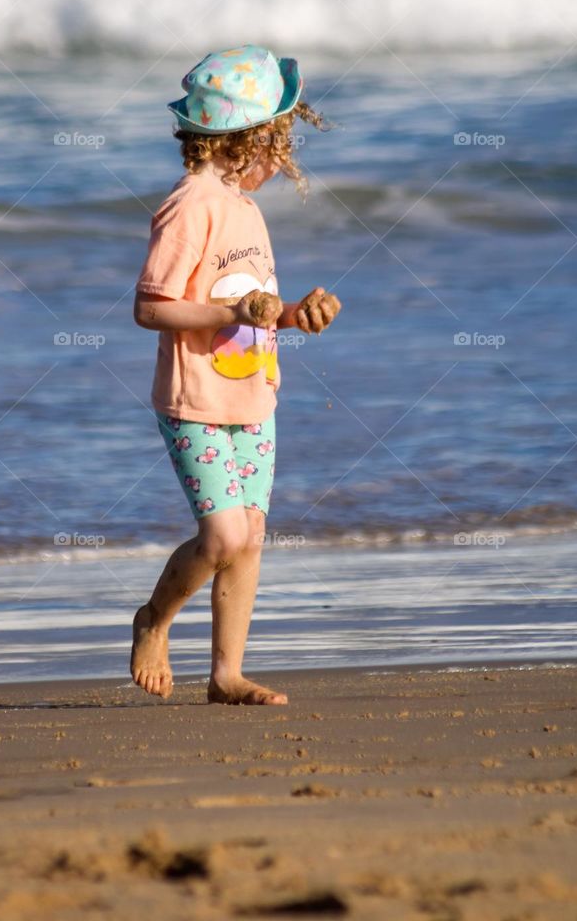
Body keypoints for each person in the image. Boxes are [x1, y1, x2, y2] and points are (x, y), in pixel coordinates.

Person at [131, 46, 341, 706]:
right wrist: (231, 309)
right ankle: (153, 619)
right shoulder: (191, 205)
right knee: (222, 535)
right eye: (280, 145)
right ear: (250, 139)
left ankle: (225, 674)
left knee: (249, 536)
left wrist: (295, 316)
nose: (282, 163)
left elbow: (254, 304)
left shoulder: (245, 212)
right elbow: (150, 307)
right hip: (195, 399)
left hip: (253, 395)